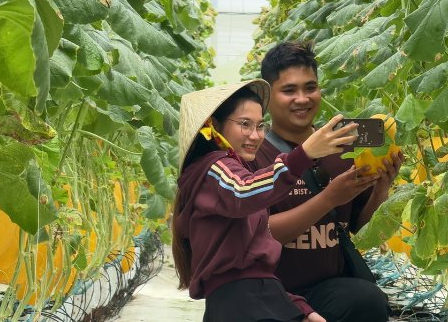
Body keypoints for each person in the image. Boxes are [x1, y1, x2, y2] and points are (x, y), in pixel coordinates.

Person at [172, 79, 360, 322]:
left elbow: (255, 269)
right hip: (240, 303)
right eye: (245, 124)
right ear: (215, 126)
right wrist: (303, 154)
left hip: (255, 297)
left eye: (260, 126)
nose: (255, 135)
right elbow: (244, 191)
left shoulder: (228, 172)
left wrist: (298, 307)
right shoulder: (214, 169)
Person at [250, 43, 404, 322]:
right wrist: (328, 198)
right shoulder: (254, 153)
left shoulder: (346, 146)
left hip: (329, 291)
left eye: (310, 88)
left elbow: (357, 226)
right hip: (270, 292)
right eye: (289, 90)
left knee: (367, 300)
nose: (302, 99)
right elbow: (257, 235)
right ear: (267, 97)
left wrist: (381, 188)